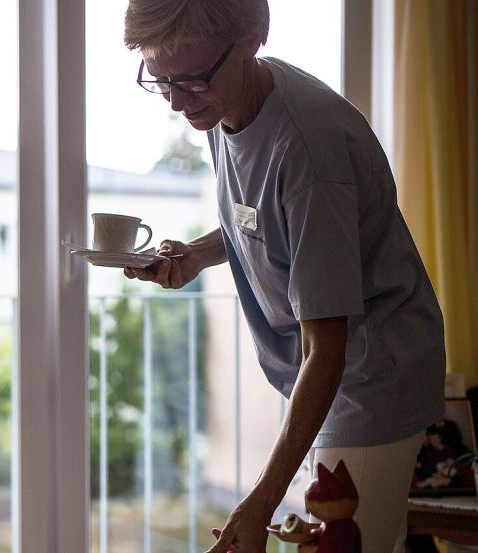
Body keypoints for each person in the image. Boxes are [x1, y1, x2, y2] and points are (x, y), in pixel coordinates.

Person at [120, 1, 445, 552]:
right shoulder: (226, 103)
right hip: (335, 371)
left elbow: (328, 349)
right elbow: (266, 220)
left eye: (192, 80)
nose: (177, 102)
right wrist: (196, 255)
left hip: (369, 376)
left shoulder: (307, 151)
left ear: (252, 42)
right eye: (161, 79)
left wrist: (260, 501)